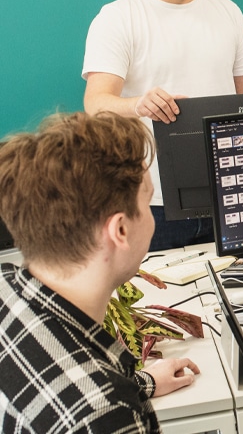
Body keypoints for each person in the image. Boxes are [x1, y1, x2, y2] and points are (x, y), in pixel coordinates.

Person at [82, 0, 243, 251]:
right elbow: (96, 104)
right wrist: (140, 104)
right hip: (155, 205)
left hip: (232, 193)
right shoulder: (118, 18)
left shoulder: (227, 12)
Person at [0, 112, 200, 432]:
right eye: (148, 203)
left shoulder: (7, 290)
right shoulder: (106, 415)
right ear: (120, 229)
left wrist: (139, 383)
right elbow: (90, 405)